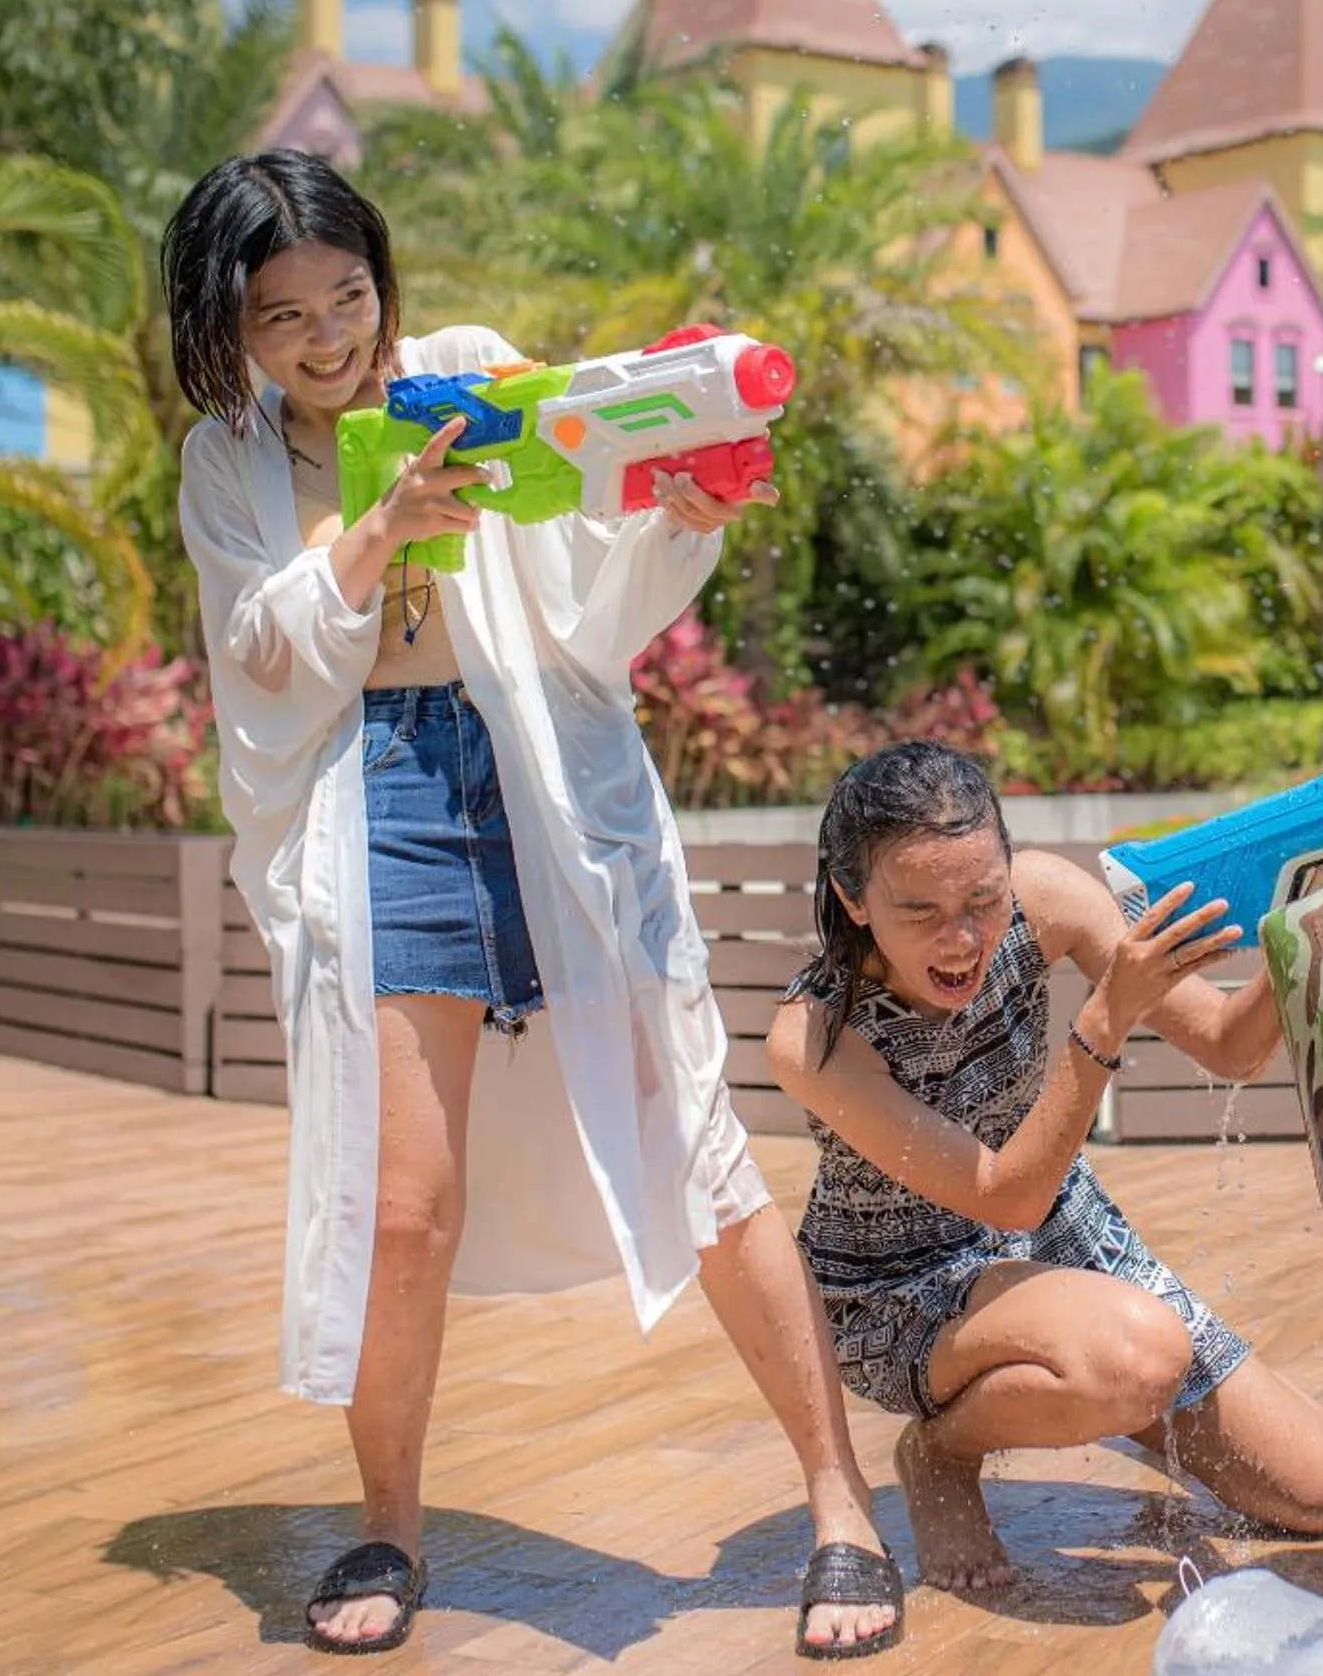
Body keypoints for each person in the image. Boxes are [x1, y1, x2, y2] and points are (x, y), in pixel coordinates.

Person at [164, 149, 903, 1659]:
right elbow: (259, 658)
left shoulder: (468, 376)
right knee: (403, 1207)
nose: (328, 338)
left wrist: (680, 512)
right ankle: (390, 1523)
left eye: (349, 294)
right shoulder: (226, 466)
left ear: (386, 280)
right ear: (227, 330)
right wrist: (382, 525)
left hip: (545, 786)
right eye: (282, 314)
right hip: (383, 811)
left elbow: (593, 594)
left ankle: (839, 1506)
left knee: (700, 1155)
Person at [765, 741, 1323, 1591]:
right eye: (922, 911)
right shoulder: (814, 1037)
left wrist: (1308, 909)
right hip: (898, 1287)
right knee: (1139, 1355)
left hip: (1056, 1224)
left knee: (1316, 1489)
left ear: (1011, 866)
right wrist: (1106, 1017)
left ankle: (1099, 1378)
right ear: (852, 899)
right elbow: (1005, 1195)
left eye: (982, 896)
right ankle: (943, 1446)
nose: (962, 937)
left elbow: (1233, 1044)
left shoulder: (1046, 900)